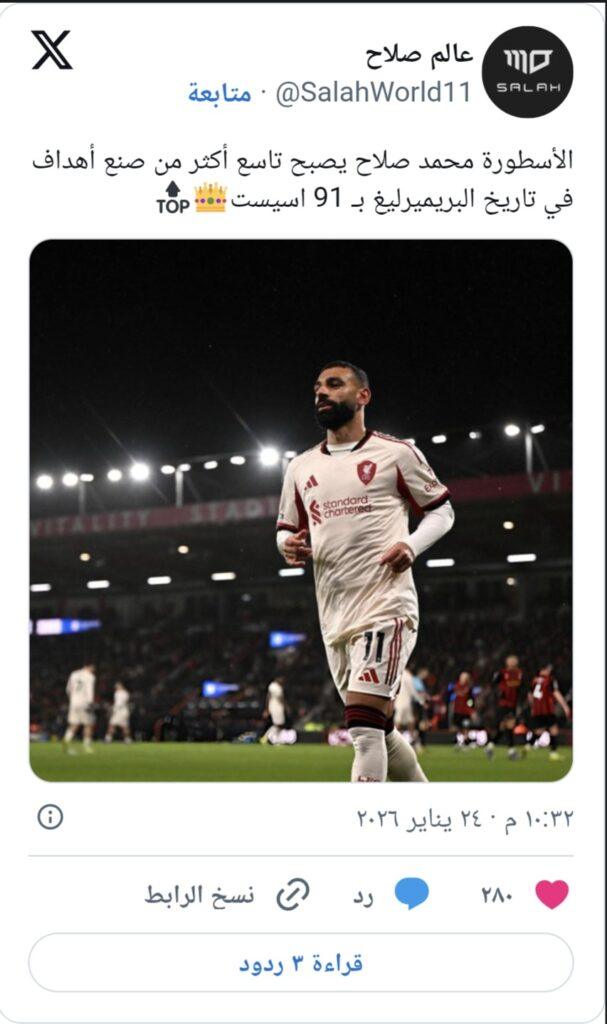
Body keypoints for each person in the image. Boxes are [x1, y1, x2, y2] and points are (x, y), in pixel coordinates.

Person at [276, 361, 454, 782]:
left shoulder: (396, 453)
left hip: (385, 607)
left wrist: (411, 545)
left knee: (362, 730)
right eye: (317, 386)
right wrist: (286, 544)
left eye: (334, 384)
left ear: (363, 396)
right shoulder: (300, 467)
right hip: (334, 614)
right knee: (379, 730)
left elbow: (441, 511)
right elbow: (285, 528)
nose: (321, 392)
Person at [526, 664, 571, 761]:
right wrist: (565, 706)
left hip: (537, 710)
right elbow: (556, 693)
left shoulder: (534, 680)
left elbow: (530, 695)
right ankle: (553, 753)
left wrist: (533, 706)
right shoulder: (550, 680)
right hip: (547, 709)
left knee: (539, 731)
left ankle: (528, 746)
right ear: (544, 670)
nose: (549, 671)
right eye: (548, 669)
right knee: (554, 730)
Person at [486, 654, 524, 761]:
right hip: (503, 704)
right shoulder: (502, 673)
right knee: (509, 725)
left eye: (514, 661)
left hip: (513, 704)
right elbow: (492, 684)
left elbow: (521, 688)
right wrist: (498, 694)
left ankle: (490, 746)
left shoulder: (519, 673)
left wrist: (521, 701)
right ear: (506, 663)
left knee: (503, 728)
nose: (512, 662)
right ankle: (511, 751)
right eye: (510, 661)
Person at [62, 661, 96, 754]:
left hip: (73, 703)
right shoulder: (90, 676)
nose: (94, 669)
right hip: (84, 703)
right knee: (88, 724)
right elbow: (90, 691)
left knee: (74, 724)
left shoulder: (74, 674)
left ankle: (66, 742)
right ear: (89, 666)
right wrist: (90, 703)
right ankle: (87, 746)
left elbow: (68, 689)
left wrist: (72, 699)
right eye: (93, 667)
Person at [261, 675, 288, 744]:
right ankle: (272, 739)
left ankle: (267, 737)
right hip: (274, 706)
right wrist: (267, 709)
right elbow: (268, 697)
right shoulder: (273, 686)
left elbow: (282, 699)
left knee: (280, 724)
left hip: (279, 707)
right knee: (278, 724)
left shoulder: (279, 687)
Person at [451, 670, 474, 747]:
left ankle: (466, 741)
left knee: (465, 726)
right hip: (457, 710)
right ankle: (458, 740)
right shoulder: (456, 685)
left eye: (464, 677)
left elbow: (471, 700)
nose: (462, 678)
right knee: (457, 726)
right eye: (462, 676)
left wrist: (470, 708)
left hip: (465, 711)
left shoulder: (468, 687)